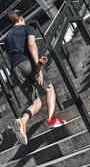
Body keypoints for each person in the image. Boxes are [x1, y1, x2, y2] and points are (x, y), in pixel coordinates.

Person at [5, 9, 66, 145]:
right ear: (21, 17)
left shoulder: (7, 37)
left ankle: (22, 121)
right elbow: (31, 45)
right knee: (49, 89)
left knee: (36, 102)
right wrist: (38, 67)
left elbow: (7, 58)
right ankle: (51, 119)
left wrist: (13, 74)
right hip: (27, 63)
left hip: (15, 69)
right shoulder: (28, 28)